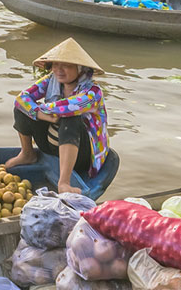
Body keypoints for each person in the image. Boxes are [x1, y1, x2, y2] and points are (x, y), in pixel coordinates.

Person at [6, 38, 110, 195]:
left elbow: (69, 107)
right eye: (55, 65)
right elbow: (21, 99)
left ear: (80, 68)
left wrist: (39, 110)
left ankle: (64, 182)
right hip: (54, 142)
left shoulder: (93, 92)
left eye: (66, 65)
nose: (59, 70)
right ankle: (27, 154)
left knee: (71, 117)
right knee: (21, 109)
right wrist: (44, 115)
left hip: (83, 153)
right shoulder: (51, 81)